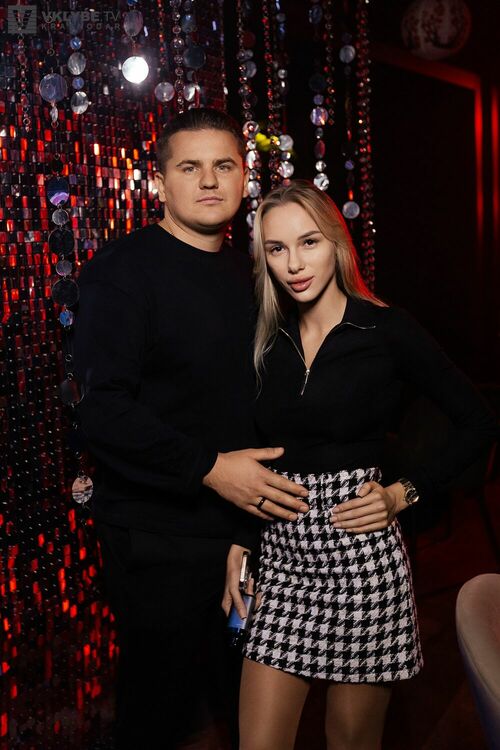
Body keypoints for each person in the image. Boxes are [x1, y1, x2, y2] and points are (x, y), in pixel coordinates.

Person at [222, 180, 498, 750]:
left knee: (351, 742)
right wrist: (240, 544)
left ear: (337, 243)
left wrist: (403, 493)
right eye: (277, 249)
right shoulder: (263, 337)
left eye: (309, 242)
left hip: (361, 561)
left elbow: (479, 420)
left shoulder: (386, 329)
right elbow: (251, 452)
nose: (294, 264)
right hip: (281, 560)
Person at [73, 109, 309, 750]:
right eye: (189, 167)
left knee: (250, 712)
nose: (209, 180)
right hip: (160, 537)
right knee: (159, 716)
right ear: (159, 183)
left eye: (223, 165)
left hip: (250, 531)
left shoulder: (257, 274)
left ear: (244, 178)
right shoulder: (123, 272)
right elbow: (103, 411)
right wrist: (211, 469)